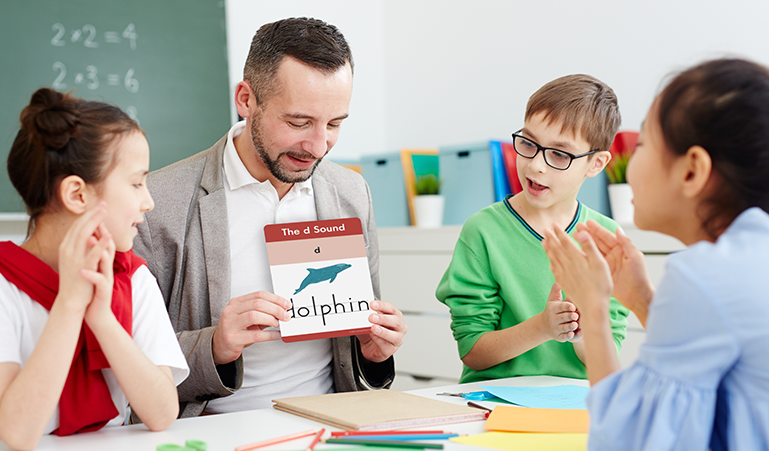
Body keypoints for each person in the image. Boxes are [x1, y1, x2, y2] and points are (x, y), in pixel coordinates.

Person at [133, 17, 406, 416]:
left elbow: (360, 358)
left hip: (330, 425)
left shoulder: (350, 193)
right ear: (246, 99)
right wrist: (214, 346)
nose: (317, 146)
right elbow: (126, 364)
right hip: (209, 430)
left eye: (334, 124)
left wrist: (376, 352)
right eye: (298, 122)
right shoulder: (158, 203)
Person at [543, 58, 769, 450]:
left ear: (692, 171)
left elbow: (628, 442)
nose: (628, 163)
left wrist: (593, 311)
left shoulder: (706, 275)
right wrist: (643, 301)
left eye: (643, 143)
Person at [0, 88, 189, 450]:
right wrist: (70, 304)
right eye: (136, 183)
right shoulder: (5, 287)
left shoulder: (132, 278)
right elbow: (18, 434)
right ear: (77, 194)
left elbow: (162, 413)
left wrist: (102, 318)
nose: (148, 202)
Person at [436, 75, 629, 383]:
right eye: (528, 143)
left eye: (559, 154)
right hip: (493, 402)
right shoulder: (484, 231)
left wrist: (581, 329)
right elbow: (473, 350)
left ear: (595, 163)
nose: (536, 165)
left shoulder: (606, 242)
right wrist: (542, 327)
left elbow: (604, 361)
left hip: (573, 405)